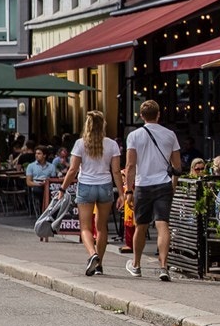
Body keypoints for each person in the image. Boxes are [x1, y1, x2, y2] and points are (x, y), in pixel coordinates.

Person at [126, 99, 182, 282]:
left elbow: (130, 165)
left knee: (141, 226)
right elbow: (177, 166)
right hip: (163, 184)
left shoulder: (134, 136)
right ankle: (163, 266)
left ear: (141, 116)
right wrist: (173, 184)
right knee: (162, 224)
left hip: (143, 185)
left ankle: (136, 264)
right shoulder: (170, 135)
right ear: (158, 114)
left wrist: (128, 191)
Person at [61, 111, 122, 277]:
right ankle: (99, 264)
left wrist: (62, 189)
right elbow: (116, 171)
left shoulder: (80, 144)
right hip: (105, 186)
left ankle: (92, 254)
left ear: (87, 125)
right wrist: (122, 194)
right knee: (102, 227)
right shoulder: (112, 144)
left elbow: (72, 169)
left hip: (86, 186)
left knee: (85, 227)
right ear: (103, 125)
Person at [25, 145, 59, 216]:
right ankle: (42, 211)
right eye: (36, 153)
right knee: (40, 191)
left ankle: (54, 212)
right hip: (37, 185)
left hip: (48, 186)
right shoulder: (31, 166)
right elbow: (28, 182)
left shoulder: (51, 166)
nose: (36, 155)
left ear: (44, 155)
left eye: (39, 153)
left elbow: (53, 179)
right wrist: (39, 184)